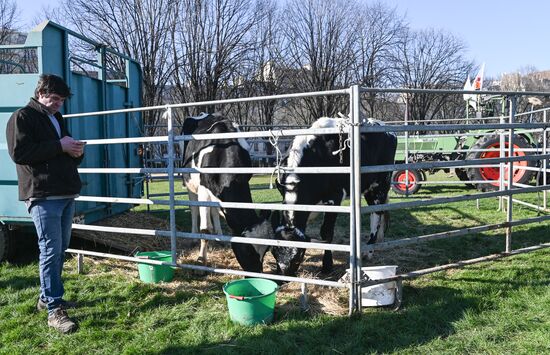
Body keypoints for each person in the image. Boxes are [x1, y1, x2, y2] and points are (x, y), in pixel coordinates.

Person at [6, 74, 85, 334]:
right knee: (50, 250)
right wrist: (60, 146)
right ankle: (54, 309)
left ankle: (46, 298)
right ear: (40, 93)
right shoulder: (23, 117)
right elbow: (20, 153)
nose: (58, 104)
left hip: (63, 192)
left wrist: (75, 151)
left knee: (60, 248)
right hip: (42, 194)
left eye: (61, 100)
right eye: (54, 98)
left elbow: (61, 150)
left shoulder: (56, 118)